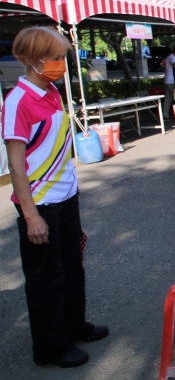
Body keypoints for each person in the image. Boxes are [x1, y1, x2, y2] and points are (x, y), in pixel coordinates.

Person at [2, 27, 108, 368]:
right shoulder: (18, 102)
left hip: (65, 196)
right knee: (46, 278)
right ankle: (50, 347)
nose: (61, 64)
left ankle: (74, 326)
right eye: (55, 58)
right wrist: (31, 215)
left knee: (72, 266)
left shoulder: (52, 92)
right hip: (40, 203)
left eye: (62, 57)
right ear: (32, 60)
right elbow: (16, 165)